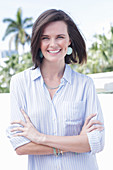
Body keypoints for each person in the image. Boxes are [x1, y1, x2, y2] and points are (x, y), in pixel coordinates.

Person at [7, 9, 105, 170]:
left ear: (69, 41)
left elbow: (97, 142)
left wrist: (40, 138)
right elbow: (20, 146)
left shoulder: (85, 85)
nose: (53, 44)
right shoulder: (20, 83)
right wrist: (76, 143)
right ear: (38, 42)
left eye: (60, 37)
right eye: (45, 38)